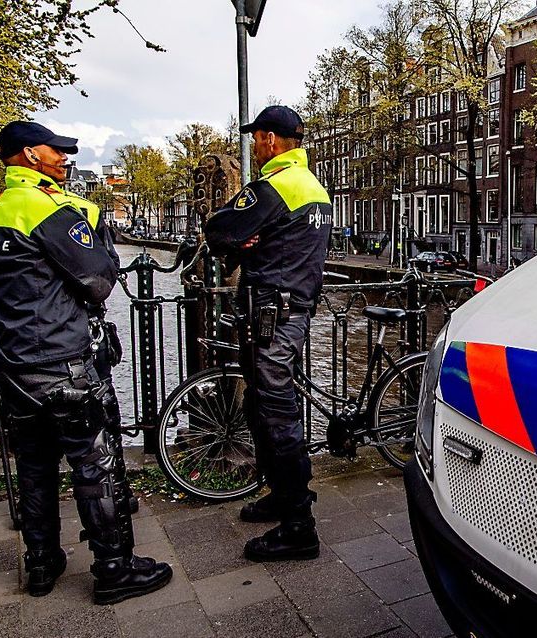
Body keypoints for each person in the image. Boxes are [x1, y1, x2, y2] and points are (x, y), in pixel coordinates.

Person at [0, 121, 172, 603]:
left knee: (35, 465)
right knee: (94, 464)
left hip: (13, 365)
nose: (65, 158)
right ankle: (114, 568)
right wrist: (95, 229)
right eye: (56, 150)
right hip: (61, 360)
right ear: (29, 155)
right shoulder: (48, 209)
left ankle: (41, 562)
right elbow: (99, 279)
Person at [204, 106, 333, 562]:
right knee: (266, 408)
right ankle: (283, 496)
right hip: (293, 314)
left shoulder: (273, 188)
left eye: (256, 139)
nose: (255, 148)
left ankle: (299, 527)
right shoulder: (314, 189)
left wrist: (239, 240)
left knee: (277, 417)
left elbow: (217, 230)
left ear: (270, 141)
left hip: (270, 319)